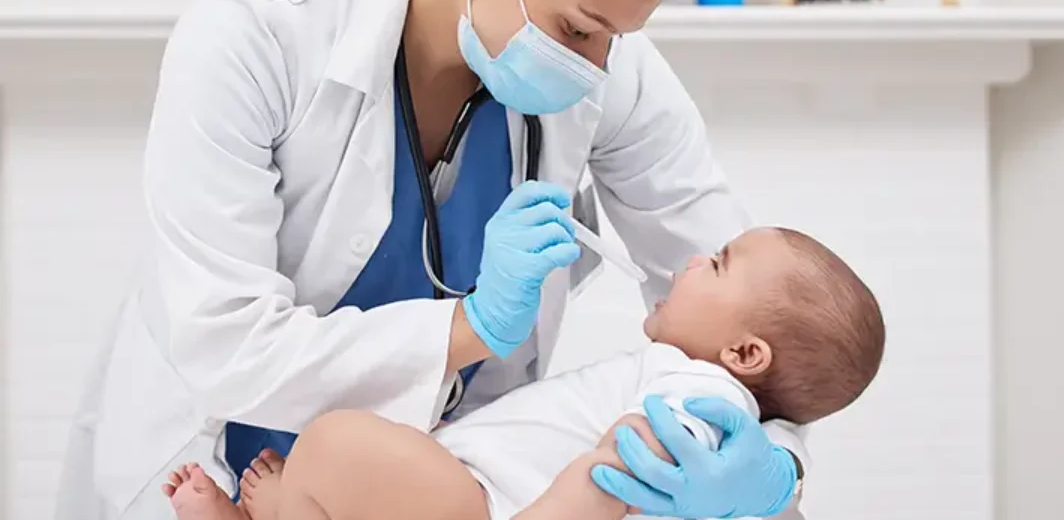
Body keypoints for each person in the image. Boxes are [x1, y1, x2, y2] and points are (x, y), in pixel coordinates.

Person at [56, 0, 814, 519]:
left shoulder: (605, 67)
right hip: (214, 462)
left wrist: (776, 466)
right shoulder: (260, 24)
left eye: (618, 38)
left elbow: (756, 303)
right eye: (580, 31)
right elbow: (224, 343)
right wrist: (474, 327)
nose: (597, 67)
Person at [160, 227, 886, 520]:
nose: (694, 260)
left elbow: (622, 464)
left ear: (746, 355)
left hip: (489, 506)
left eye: (719, 263)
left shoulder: (703, 393)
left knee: (331, 439)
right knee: (338, 455)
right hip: (472, 484)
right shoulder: (691, 376)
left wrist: (780, 474)